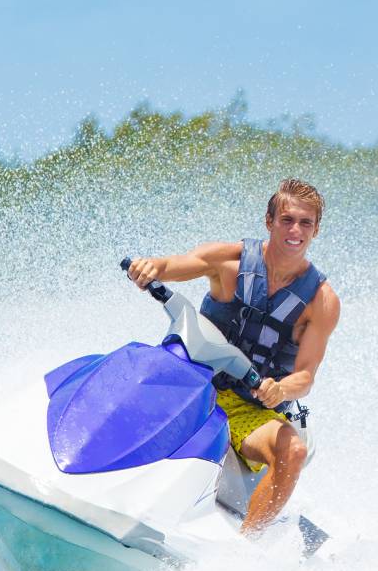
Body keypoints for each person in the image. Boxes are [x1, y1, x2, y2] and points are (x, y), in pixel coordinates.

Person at [126, 179, 340, 535]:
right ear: (268, 221)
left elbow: (306, 375)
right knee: (132, 367)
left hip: (249, 406)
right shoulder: (230, 261)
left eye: (305, 223)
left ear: (316, 229)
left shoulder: (322, 301)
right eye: (287, 219)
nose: (295, 230)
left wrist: (281, 390)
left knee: (294, 452)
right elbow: (175, 264)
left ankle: (246, 550)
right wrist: (150, 267)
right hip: (193, 380)